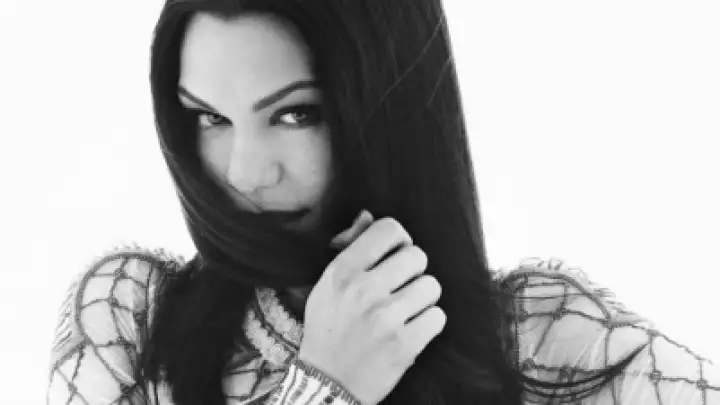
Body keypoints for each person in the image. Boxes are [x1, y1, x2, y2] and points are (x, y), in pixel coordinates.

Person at [46, 0, 719, 404]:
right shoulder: (130, 318)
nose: (245, 173)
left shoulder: (537, 337)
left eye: (295, 114)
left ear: (391, 110)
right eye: (210, 118)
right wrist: (326, 383)